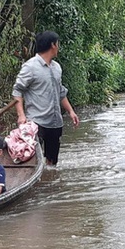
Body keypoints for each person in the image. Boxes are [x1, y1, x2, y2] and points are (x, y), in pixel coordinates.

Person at [12, 30, 80, 166]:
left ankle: (50, 184)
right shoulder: (30, 67)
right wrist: (21, 115)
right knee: (32, 159)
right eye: (58, 44)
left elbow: (60, 92)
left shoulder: (57, 68)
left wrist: (71, 111)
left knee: (52, 163)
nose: (58, 47)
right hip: (36, 122)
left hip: (55, 122)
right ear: (53, 45)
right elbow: (17, 91)